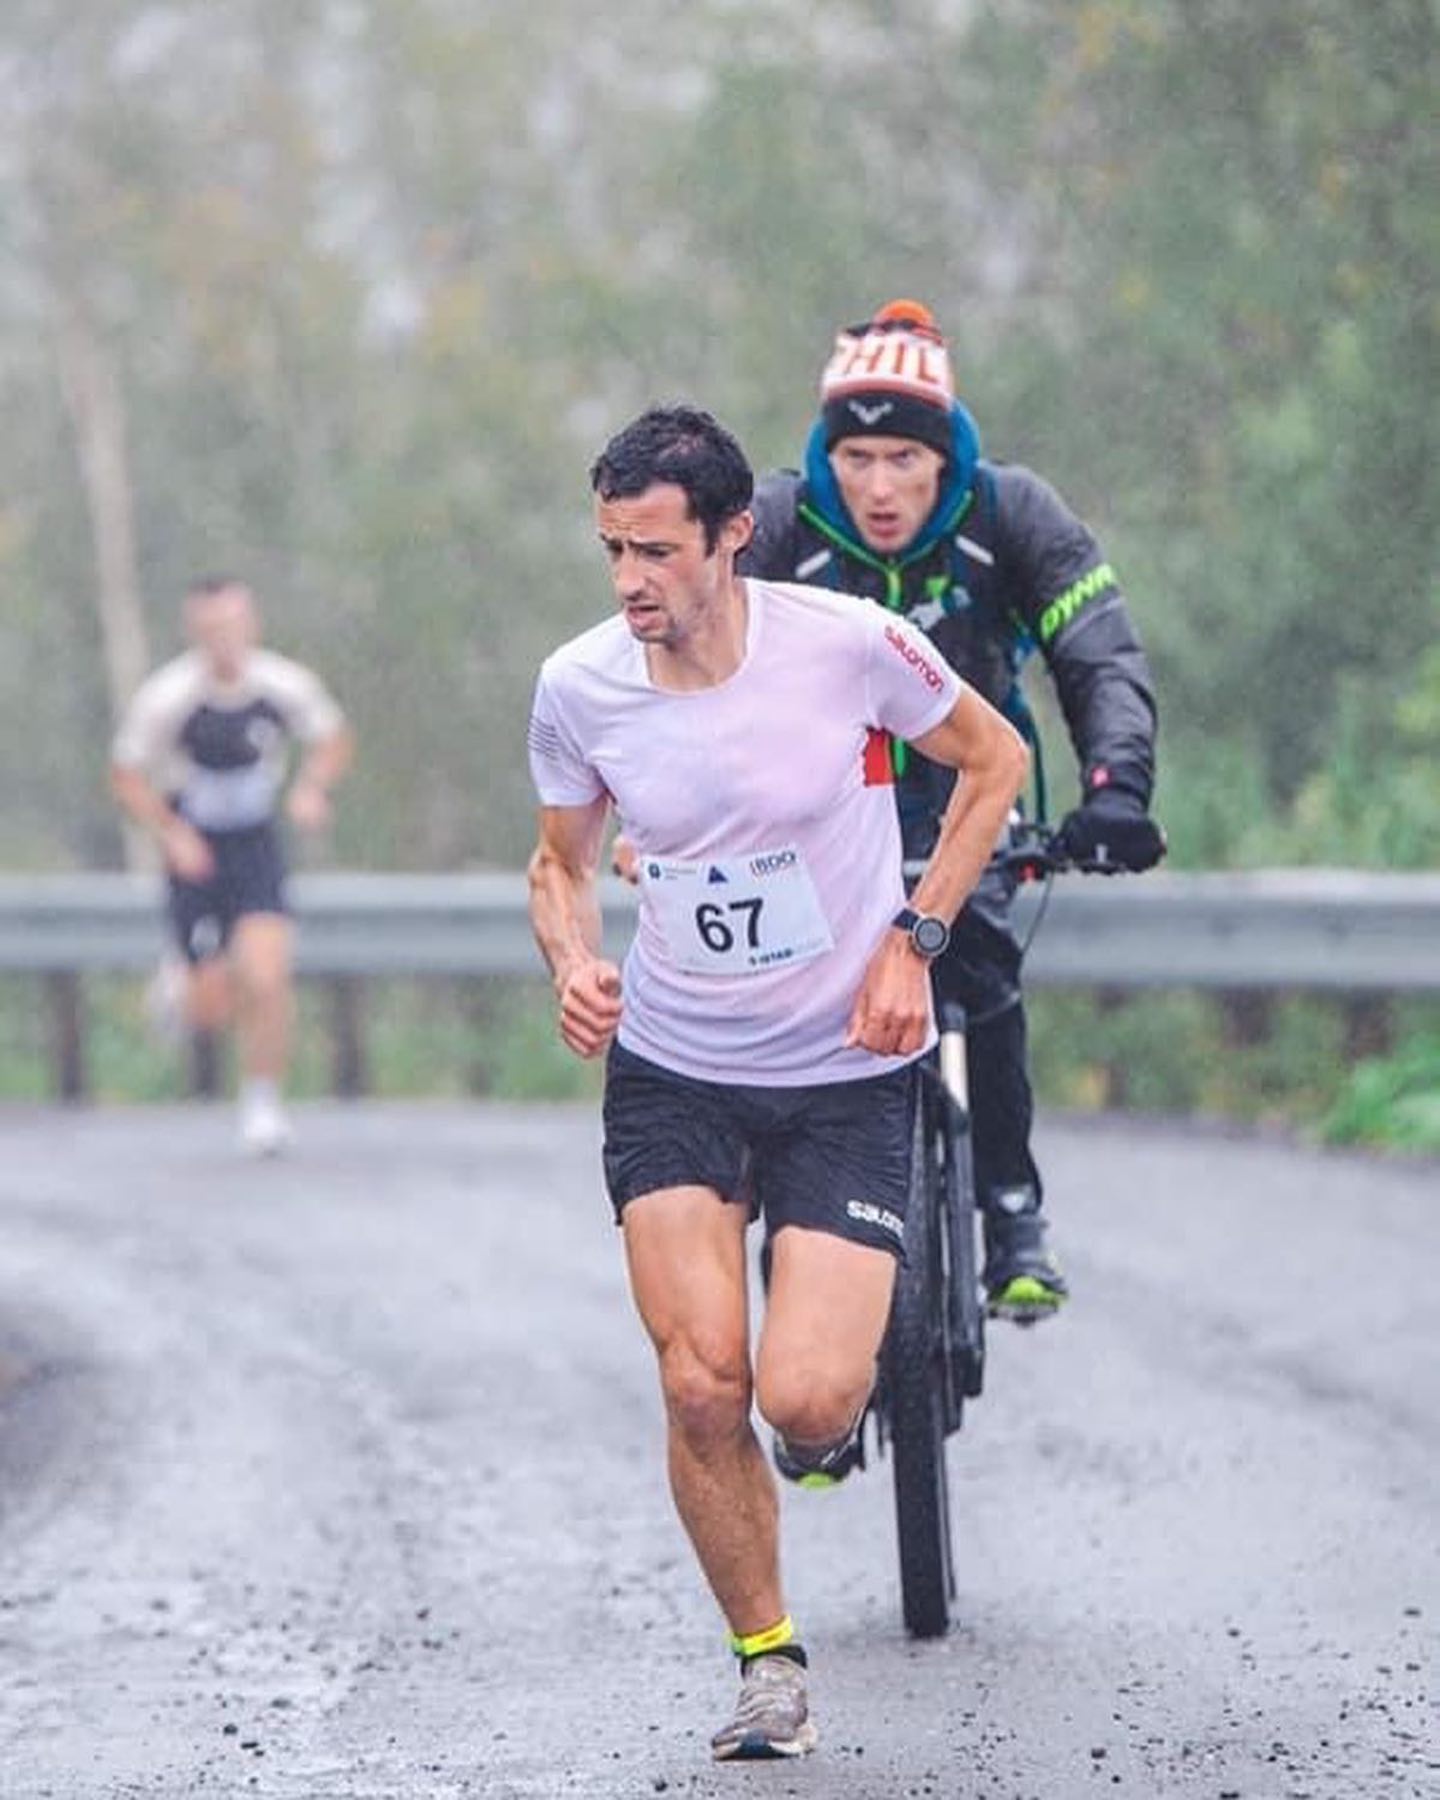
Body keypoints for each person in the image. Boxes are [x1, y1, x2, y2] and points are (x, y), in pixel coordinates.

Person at [526, 405, 1028, 1760]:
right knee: (701, 1385)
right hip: (677, 1071)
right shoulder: (581, 686)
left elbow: (994, 763)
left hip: (847, 1071)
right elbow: (561, 861)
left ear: (733, 535)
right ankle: (768, 1666)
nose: (630, 581)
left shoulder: (850, 648)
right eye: (611, 550)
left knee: (806, 1403)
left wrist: (913, 939)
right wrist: (573, 956)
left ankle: (839, 1364)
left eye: (656, 551)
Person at [738, 298, 1165, 1322]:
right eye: (858, 458)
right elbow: (685, 672)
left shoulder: (1009, 514)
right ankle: (791, 1256)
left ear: (945, 455)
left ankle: (1012, 1212)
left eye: (905, 459)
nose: (879, 487)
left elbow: (1098, 651)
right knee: (793, 1025)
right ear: (827, 455)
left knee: (979, 965)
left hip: (967, 812)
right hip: (813, 826)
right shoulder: (780, 524)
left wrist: (1117, 785)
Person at [109, 575, 354, 1154]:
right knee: (210, 1006)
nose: (223, 640)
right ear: (195, 633)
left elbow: (332, 736)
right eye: (210, 629)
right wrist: (170, 833)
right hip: (194, 849)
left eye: (232, 626)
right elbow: (125, 773)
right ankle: (181, 985)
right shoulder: (171, 696)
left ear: (251, 624)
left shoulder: (280, 684)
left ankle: (263, 1102)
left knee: (266, 975)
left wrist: (311, 788)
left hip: (254, 844)